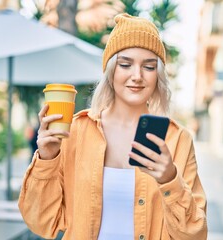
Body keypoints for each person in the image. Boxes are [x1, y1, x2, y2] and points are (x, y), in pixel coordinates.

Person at [18, 13, 208, 240]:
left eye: (148, 67)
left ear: (158, 76)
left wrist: (170, 180)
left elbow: (194, 234)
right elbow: (42, 222)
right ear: (110, 72)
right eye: (125, 64)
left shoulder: (177, 139)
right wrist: (46, 160)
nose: (137, 76)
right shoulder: (77, 131)